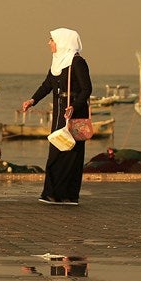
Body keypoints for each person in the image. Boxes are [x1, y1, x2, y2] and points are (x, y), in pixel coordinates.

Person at [21, 28, 92, 205]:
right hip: (60, 114)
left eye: (52, 40)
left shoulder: (77, 62)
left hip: (73, 115)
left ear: (63, 42)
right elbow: (47, 85)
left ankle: (67, 195)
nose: (49, 43)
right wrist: (33, 100)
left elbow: (86, 89)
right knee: (57, 151)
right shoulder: (57, 63)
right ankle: (53, 193)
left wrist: (74, 107)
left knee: (71, 155)